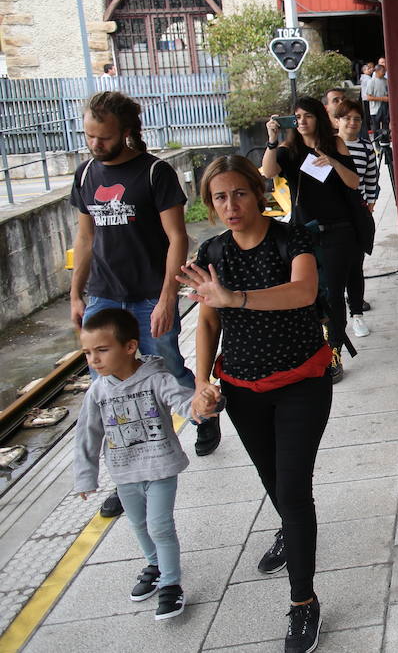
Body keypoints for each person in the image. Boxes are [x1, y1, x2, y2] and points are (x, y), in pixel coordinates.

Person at [178, 155, 330, 653]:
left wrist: (235, 297)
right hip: (242, 389)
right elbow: (207, 320)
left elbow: (304, 291)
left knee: (294, 487)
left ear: (257, 193)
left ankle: (303, 601)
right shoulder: (212, 251)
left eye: (239, 193)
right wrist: (201, 382)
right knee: (272, 479)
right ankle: (290, 529)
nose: (231, 205)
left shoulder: (291, 237)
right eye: (219, 197)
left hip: (302, 381)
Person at [68, 91, 213, 522]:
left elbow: (177, 238)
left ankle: (201, 409)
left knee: (166, 368)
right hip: (104, 294)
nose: (95, 144)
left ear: (127, 132)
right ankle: (128, 477)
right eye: (89, 136)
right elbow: (85, 238)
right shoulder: (85, 174)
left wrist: (167, 297)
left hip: (150, 291)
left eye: (103, 137)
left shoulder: (154, 172)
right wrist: (76, 293)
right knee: (111, 387)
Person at [72, 307, 202, 622]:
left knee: (159, 525)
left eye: (102, 350)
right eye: (88, 353)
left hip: (160, 468)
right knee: (139, 524)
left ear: (130, 347)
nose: (94, 360)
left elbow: (182, 401)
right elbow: (87, 434)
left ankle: (171, 584)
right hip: (124, 473)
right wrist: (86, 476)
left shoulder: (156, 378)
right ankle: (155, 564)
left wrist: (201, 408)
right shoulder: (98, 391)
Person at [261, 97, 363, 380]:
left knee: (333, 293)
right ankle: (315, 347)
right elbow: (268, 172)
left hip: (337, 230)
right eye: (297, 117)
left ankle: (334, 352)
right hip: (303, 231)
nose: (302, 121)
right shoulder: (288, 149)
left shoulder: (334, 144)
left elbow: (354, 182)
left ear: (318, 117)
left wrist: (332, 161)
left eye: (307, 115)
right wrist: (272, 140)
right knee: (307, 293)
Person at [333, 98, 379, 337]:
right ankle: (332, 321)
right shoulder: (326, 145)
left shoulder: (365, 147)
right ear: (337, 121)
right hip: (331, 216)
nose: (352, 123)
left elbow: (372, 178)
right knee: (332, 270)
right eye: (347, 118)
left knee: (355, 266)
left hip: (355, 214)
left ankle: (357, 315)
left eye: (357, 119)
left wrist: (369, 206)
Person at [363, 58, 389, 136]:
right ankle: (377, 141)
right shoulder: (371, 82)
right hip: (375, 109)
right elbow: (368, 97)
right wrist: (382, 99)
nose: (384, 73)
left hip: (385, 107)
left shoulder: (386, 81)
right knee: (376, 128)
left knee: (385, 126)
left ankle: (385, 140)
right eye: (382, 71)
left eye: (384, 71)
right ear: (377, 71)